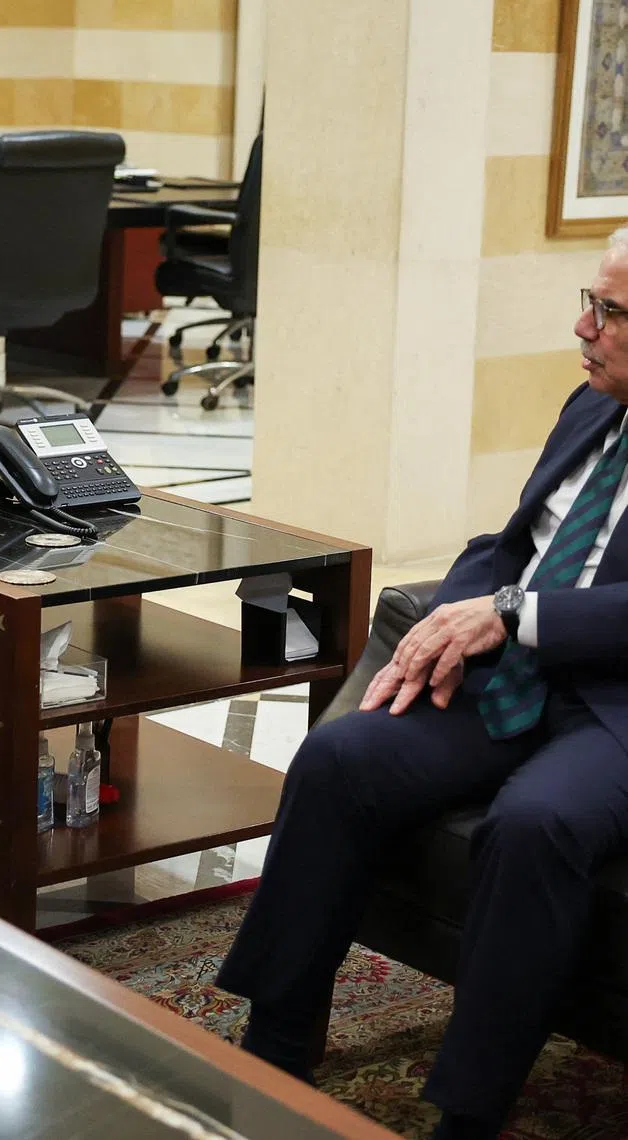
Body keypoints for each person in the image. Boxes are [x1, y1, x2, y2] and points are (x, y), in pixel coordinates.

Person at [216, 226, 628, 1140]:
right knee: (340, 755)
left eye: (609, 311)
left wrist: (515, 615)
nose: (582, 327)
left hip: (616, 709)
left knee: (534, 825)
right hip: (521, 676)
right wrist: (456, 609)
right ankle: (275, 1046)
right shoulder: (592, 406)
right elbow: (518, 542)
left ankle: (468, 1116)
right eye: (590, 301)